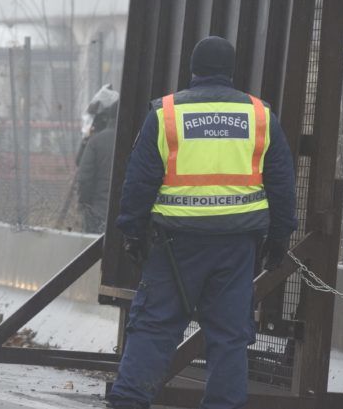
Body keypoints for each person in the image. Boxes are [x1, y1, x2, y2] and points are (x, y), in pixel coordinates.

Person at [106, 36, 297, 409]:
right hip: (237, 248)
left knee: (154, 326)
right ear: (230, 72)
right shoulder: (260, 117)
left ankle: (129, 401)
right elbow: (282, 183)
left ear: (193, 70)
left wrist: (132, 231)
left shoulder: (165, 115)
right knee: (229, 337)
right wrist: (278, 238)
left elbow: (139, 181)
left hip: (176, 246)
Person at [76, 96, 117, 233]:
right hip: (124, 215)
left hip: (97, 213)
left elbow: (84, 178)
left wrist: (84, 204)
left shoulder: (96, 141)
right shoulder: (135, 140)